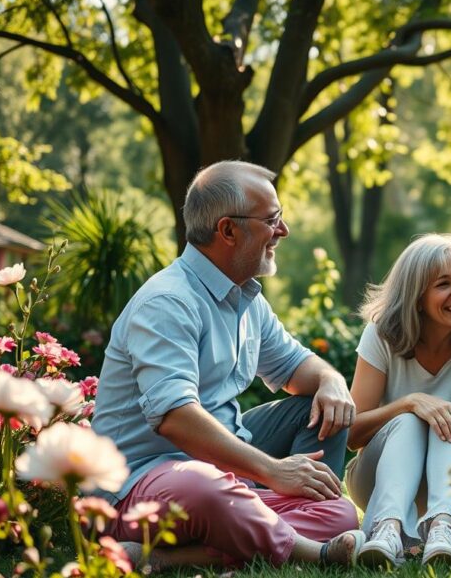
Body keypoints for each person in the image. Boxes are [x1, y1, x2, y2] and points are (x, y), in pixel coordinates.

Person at [92, 161, 363, 569]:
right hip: (138, 486)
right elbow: (175, 418)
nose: (283, 231)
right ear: (228, 231)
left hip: (222, 474)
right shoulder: (168, 302)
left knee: (337, 510)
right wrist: (273, 472)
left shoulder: (247, 299)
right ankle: (311, 552)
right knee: (202, 484)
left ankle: (167, 559)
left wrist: (331, 380)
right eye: (272, 219)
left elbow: (295, 367)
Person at [345, 234, 451, 567]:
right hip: (380, 477)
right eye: (444, 284)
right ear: (416, 296)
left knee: (450, 422)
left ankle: (443, 528)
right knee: (413, 419)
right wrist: (409, 403)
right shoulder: (381, 335)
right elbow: (352, 435)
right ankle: (386, 528)